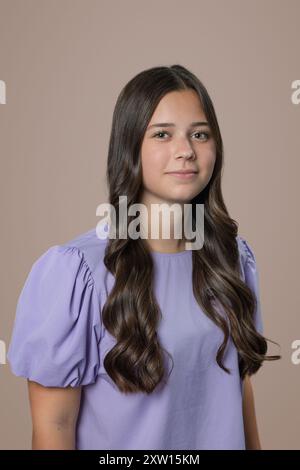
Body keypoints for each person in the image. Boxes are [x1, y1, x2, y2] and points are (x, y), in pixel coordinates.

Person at [7, 64, 280, 450]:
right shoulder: (77, 272)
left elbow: (238, 388)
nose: (185, 151)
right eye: (162, 135)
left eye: (199, 134)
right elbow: (55, 425)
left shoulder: (232, 258)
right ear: (130, 146)